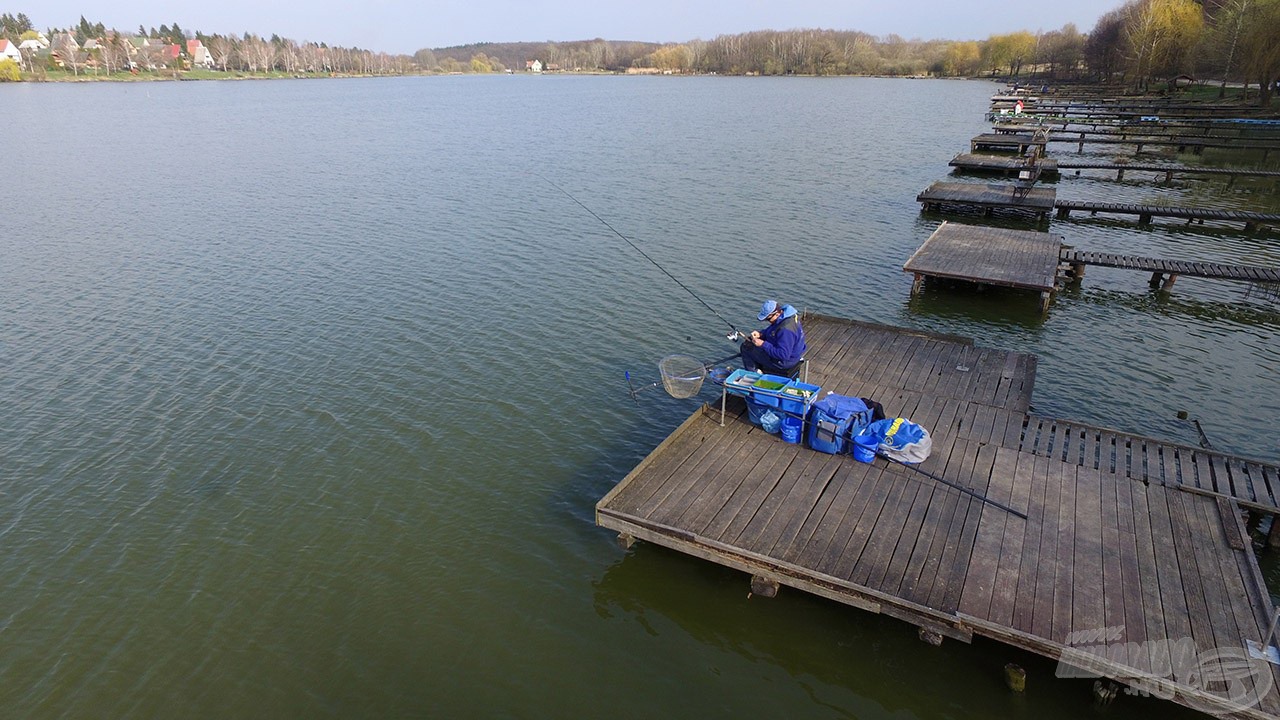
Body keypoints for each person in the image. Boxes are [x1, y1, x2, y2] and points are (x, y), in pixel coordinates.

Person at [740, 299, 806, 377]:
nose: (768, 321)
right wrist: (761, 334)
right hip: (793, 355)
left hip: (785, 362)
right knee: (750, 342)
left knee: (746, 348)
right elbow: (773, 330)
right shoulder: (786, 317)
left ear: (777, 314)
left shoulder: (785, 330)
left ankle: (753, 376)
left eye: (768, 319)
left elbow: (783, 355)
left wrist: (763, 344)